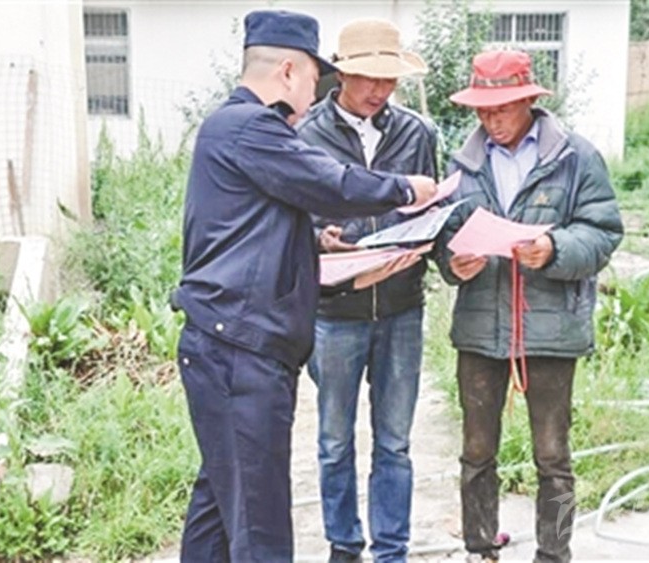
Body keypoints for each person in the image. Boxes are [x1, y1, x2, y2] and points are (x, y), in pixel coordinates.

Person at [173, 10, 438, 563]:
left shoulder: (235, 128)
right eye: (317, 79)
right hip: (240, 350)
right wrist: (405, 189)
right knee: (260, 523)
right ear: (289, 71)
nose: (316, 94)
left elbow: (257, 230)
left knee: (221, 503)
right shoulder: (251, 127)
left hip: (230, 343)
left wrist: (326, 252)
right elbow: (330, 184)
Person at [433, 50, 623, 563]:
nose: (490, 120)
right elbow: (444, 234)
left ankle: (554, 553)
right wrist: (454, 262)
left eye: (501, 109)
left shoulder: (576, 157)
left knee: (553, 454)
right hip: (480, 328)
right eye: (482, 110)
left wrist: (555, 248)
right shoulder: (462, 162)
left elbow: (603, 231)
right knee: (476, 450)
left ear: (527, 102)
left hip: (551, 328)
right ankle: (479, 547)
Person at [295, 18, 437, 563]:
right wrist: (319, 239)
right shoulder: (305, 135)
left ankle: (392, 550)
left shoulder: (417, 133)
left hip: (401, 307)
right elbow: (289, 219)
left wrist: (431, 240)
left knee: (395, 441)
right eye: (370, 78)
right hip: (335, 311)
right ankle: (344, 543)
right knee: (334, 441)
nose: (381, 90)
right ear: (342, 74)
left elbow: (431, 206)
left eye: (390, 79)